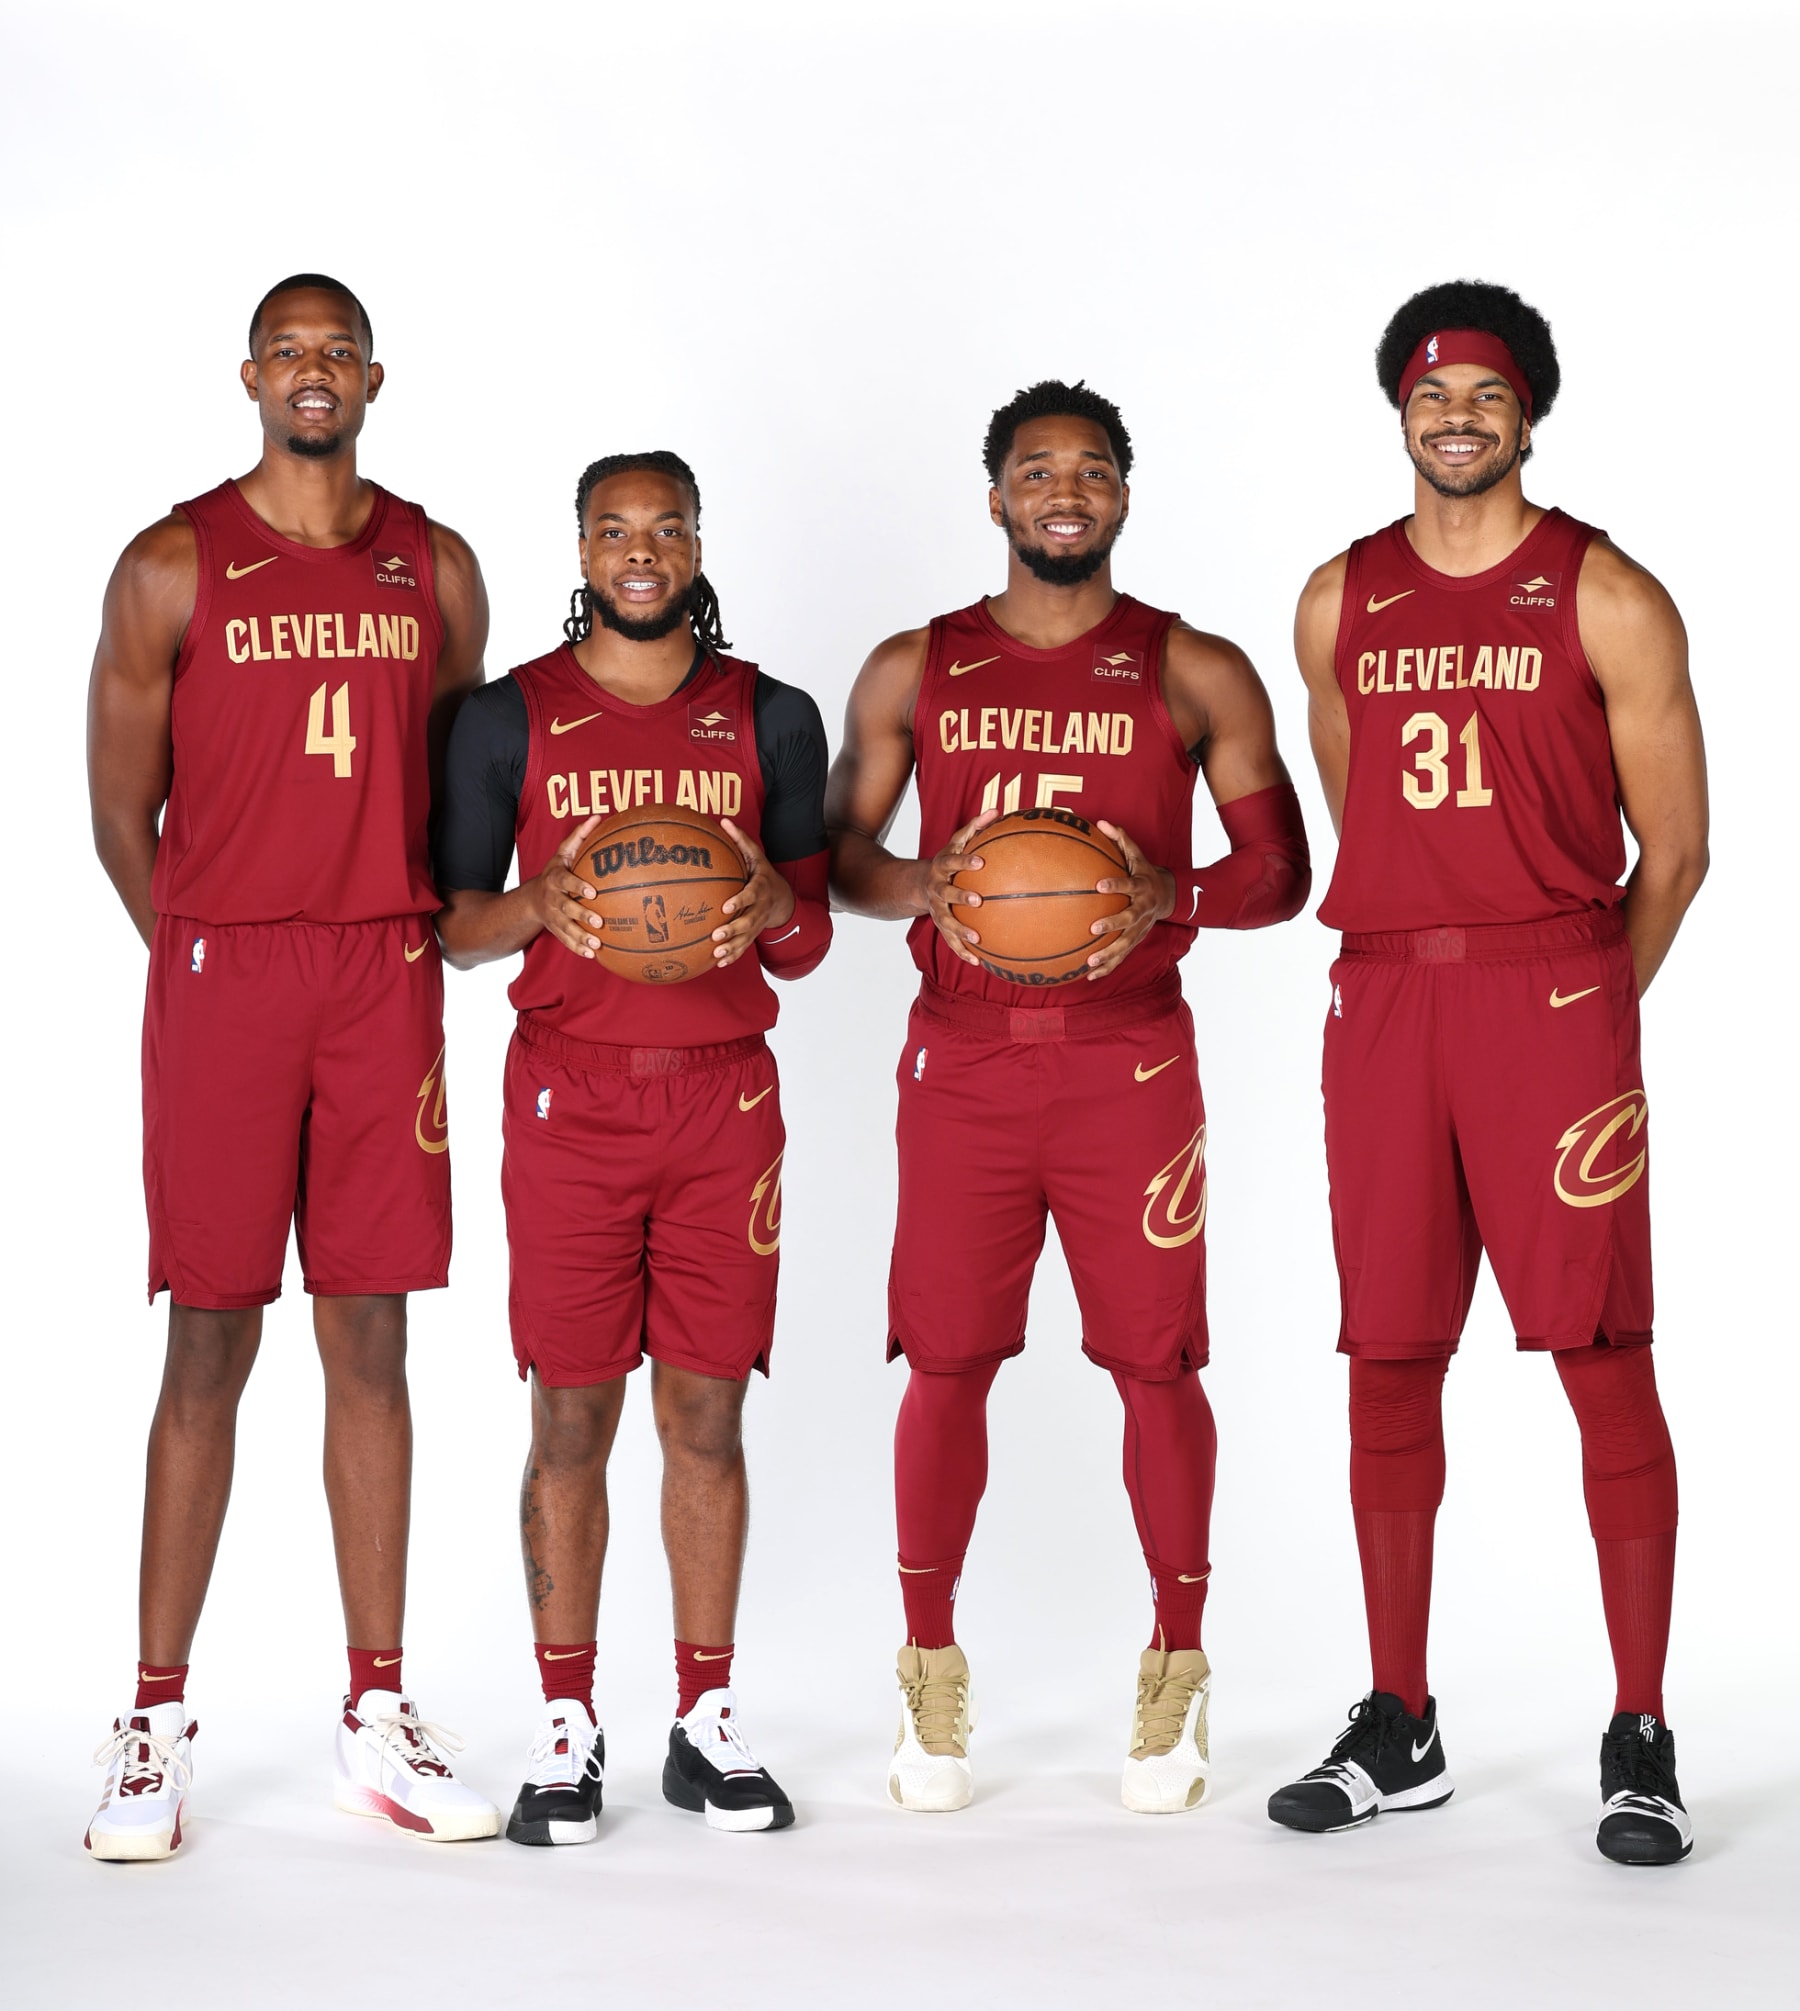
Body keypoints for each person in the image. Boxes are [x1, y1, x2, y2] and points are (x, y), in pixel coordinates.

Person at [1267, 281, 1709, 1866]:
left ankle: (1642, 1730)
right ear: (1399, 407)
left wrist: (1585, 1011)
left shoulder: (1608, 595)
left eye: (1488, 394)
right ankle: (1402, 1719)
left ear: (1529, 410)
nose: (1459, 415)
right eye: (1434, 392)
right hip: (1386, 998)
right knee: (1386, 1357)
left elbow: (1683, 849)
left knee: (1603, 1353)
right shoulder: (1335, 600)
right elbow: (1360, 809)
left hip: (1552, 993)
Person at [826, 381, 1310, 1814]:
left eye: (1091, 471)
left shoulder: (1194, 668)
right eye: (1036, 471)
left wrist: (1175, 892)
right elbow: (840, 853)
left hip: (1129, 1053)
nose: (1064, 492)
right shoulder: (915, 665)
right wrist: (926, 885)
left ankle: (1176, 1672)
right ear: (994, 499)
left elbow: (1285, 877)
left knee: (1159, 1363)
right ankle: (927, 1671)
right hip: (963, 1052)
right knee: (949, 1363)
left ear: (1123, 496)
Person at [84, 275, 498, 1858]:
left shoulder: (436, 563)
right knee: (208, 1337)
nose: (314, 374)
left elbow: (457, 782)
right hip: (229, 970)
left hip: (381, 969)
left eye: (341, 353)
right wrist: (201, 957)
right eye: (291, 352)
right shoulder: (172, 561)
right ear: (250, 373)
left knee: (373, 1334)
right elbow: (121, 809)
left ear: (374, 378)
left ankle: (377, 1719)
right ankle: (153, 1718)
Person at [436, 450, 831, 1841]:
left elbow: (810, 940)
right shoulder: (505, 719)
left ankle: (707, 1719)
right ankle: (565, 1719)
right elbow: (452, 927)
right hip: (570, 1098)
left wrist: (776, 890)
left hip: (724, 1098)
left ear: (699, 540)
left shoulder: (771, 716)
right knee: (569, 1414)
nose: (643, 552)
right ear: (584, 547)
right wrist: (541, 900)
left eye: (667, 528)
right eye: (617, 530)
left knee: (707, 1413)